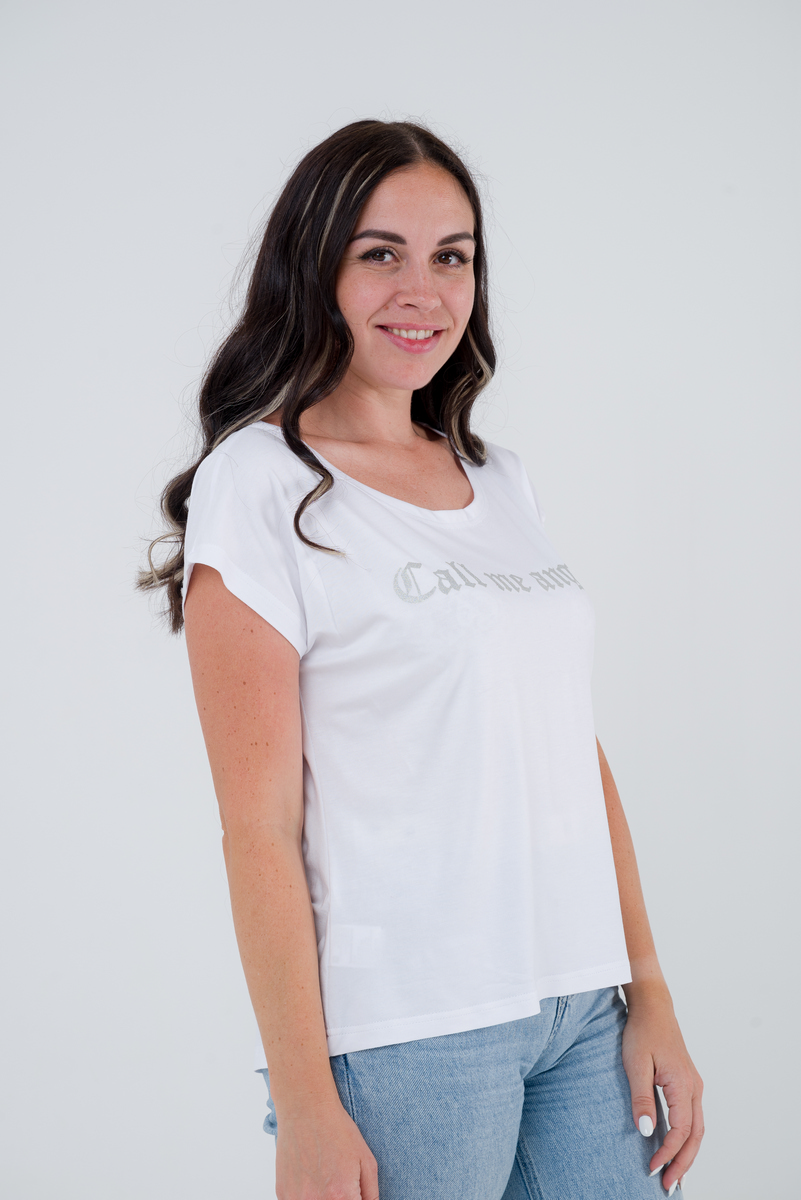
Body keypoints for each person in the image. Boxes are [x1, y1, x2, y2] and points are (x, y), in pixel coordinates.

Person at [141, 119, 704, 1199]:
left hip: (582, 1009)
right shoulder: (259, 483)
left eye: (452, 256)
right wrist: (307, 1102)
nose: (423, 290)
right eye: (379, 253)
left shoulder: (498, 478)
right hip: (413, 1028)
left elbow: (569, 751)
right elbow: (258, 827)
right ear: (313, 269)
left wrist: (649, 992)